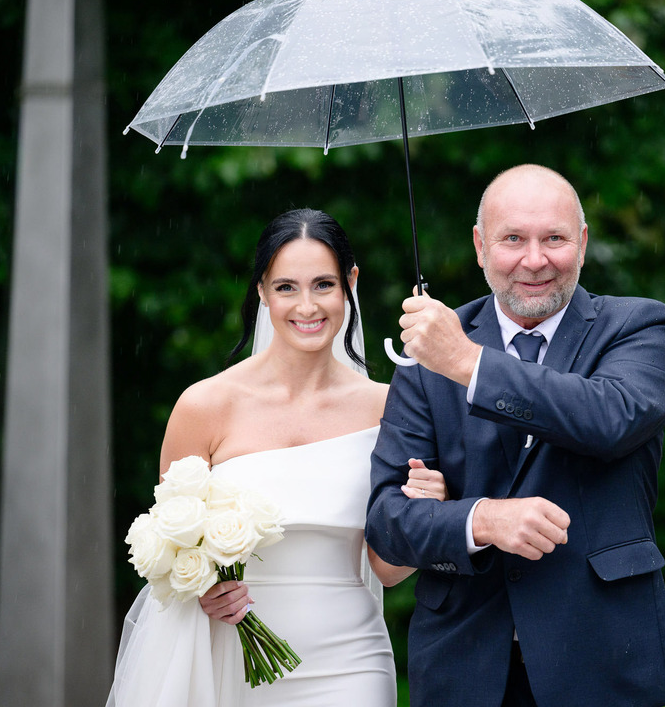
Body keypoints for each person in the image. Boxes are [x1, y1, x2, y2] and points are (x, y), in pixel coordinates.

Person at [366, 165, 665, 707]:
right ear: (479, 246)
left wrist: (470, 364)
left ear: (583, 243)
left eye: (555, 239)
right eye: (513, 238)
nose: (535, 260)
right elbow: (387, 525)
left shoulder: (638, 327)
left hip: (603, 656)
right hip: (464, 665)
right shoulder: (426, 357)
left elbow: (608, 419)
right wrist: (481, 519)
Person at [107, 208, 446, 707]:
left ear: (351, 283)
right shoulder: (204, 407)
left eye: (324, 284)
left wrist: (424, 511)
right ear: (262, 291)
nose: (306, 306)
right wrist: (203, 590)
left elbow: (386, 568)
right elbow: (169, 554)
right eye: (286, 287)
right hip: (229, 656)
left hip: (351, 663)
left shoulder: (388, 408)